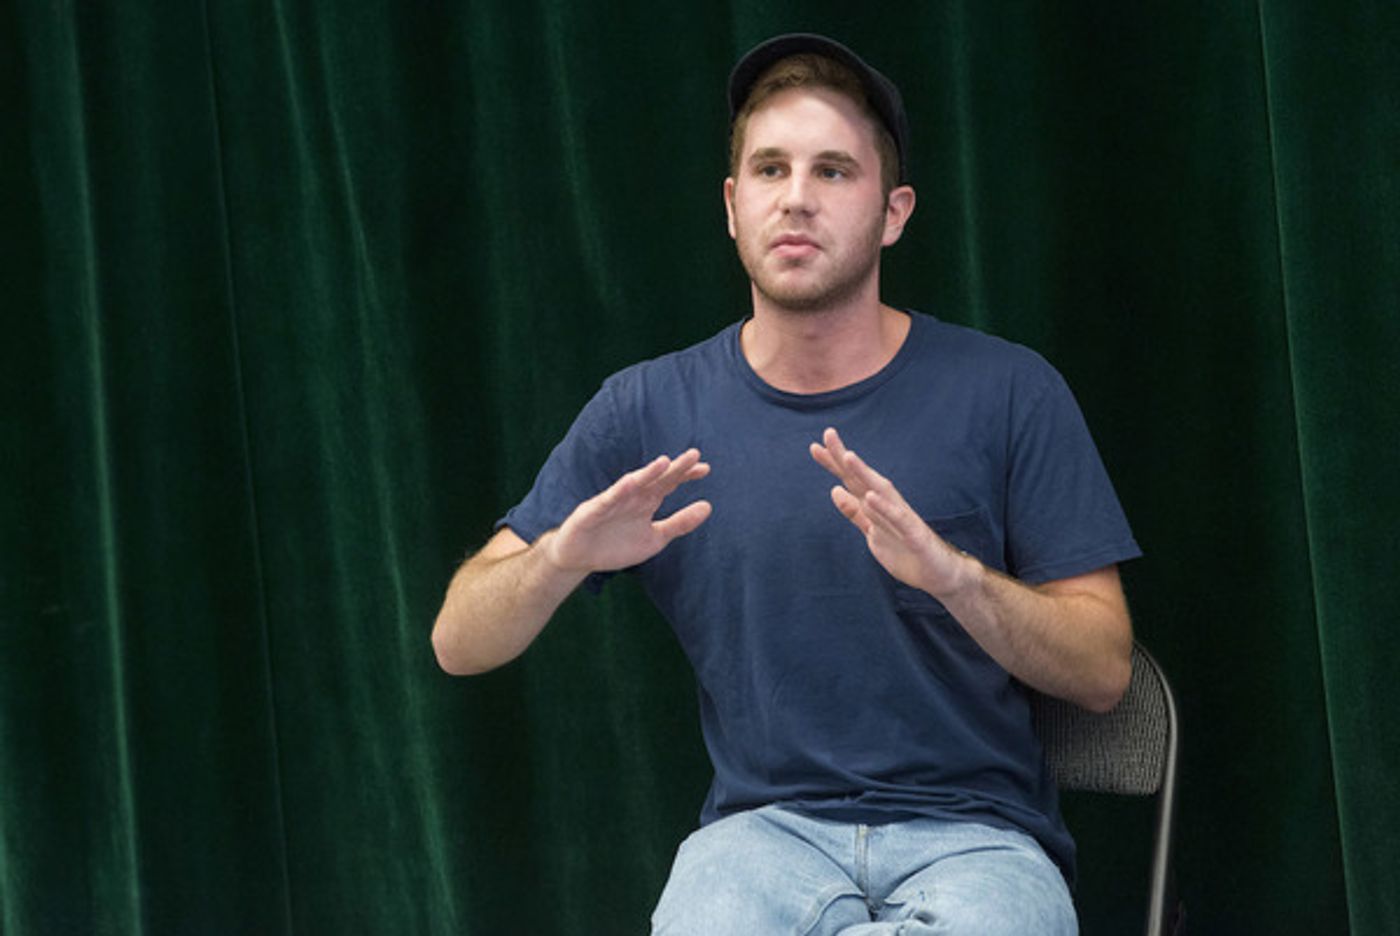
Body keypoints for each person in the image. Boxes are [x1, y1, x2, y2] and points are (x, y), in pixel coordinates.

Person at [432, 32, 1140, 935]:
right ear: (733, 206)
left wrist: (958, 579)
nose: (796, 198)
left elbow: (1104, 673)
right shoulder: (645, 409)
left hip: (979, 842)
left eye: (834, 172)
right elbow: (459, 640)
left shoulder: (1009, 390)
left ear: (893, 211)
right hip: (758, 840)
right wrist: (560, 559)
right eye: (770, 170)